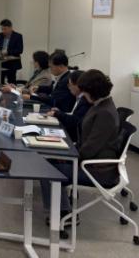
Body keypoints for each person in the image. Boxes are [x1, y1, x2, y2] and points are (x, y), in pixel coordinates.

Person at [41, 69, 121, 225]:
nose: (83, 95)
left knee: (48, 170)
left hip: (98, 171)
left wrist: (66, 156)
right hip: (92, 163)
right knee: (49, 161)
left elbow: (90, 148)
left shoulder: (105, 113)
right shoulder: (100, 106)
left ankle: (64, 213)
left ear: (93, 91)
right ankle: (61, 208)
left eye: (84, 92)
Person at [46, 70, 91, 143]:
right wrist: (60, 112)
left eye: (70, 84)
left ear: (78, 85)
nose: (68, 87)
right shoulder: (80, 97)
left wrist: (57, 114)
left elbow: (75, 121)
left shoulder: (85, 100)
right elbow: (74, 115)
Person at [0, 19, 24, 84]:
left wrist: (7, 52)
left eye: (5, 29)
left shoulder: (18, 36)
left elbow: (20, 50)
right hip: (2, 62)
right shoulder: (0, 35)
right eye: (2, 29)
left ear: (10, 27)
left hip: (12, 63)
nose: (3, 31)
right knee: (0, 81)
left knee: (11, 82)